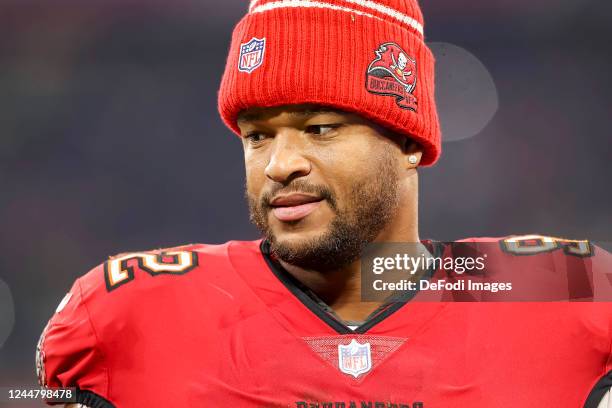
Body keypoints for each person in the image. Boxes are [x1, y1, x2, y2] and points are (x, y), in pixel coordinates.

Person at [36, 1, 612, 407]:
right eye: (257, 135)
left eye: (320, 127)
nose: (279, 163)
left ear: (409, 140)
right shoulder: (131, 316)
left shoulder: (567, 291)